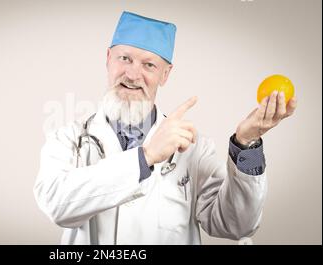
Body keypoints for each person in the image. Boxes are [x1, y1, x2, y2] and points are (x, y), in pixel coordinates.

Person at [33, 11, 297, 244]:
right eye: (124, 58)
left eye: (149, 64)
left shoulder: (194, 148)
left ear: (165, 74)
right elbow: (56, 205)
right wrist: (145, 157)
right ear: (108, 59)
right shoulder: (68, 138)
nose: (133, 75)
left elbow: (236, 225)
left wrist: (246, 143)